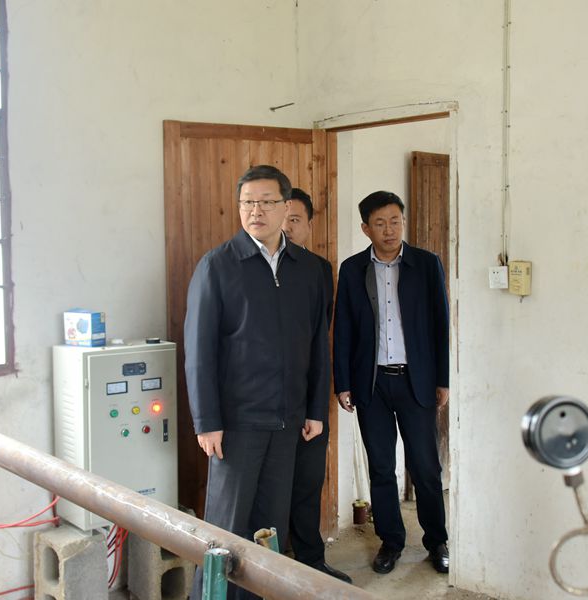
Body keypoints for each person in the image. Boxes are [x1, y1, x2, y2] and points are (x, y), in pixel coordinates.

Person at [184, 165, 330, 599]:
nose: (256, 211)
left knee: (269, 529)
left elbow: (317, 345)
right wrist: (207, 421)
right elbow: (199, 351)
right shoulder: (218, 266)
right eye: (248, 202)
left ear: (286, 207)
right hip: (236, 424)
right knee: (225, 532)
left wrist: (315, 410)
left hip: (287, 422)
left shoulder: (308, 269)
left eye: (267, 202)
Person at [333, 190, 450, 575]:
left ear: (403, 222)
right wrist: (343, 382)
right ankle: (391, 541)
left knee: (426, 467)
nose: (389, 230)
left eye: (395, 221)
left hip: (417, 381)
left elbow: (441, 324)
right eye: (380, 223)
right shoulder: (352, 269)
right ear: (366, 228)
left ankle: (437, 541)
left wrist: (443, 379)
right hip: (372, 385)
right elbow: (343, 329)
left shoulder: (426, 264)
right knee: (381, 468)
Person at [281, 188, 351, 584]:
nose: (287, 227)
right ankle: (272, 567)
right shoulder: (252, 267)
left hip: (308, 394)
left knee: (308, 482)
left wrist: (318, 403)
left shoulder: (321, 269)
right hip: (266, 402)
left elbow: (320, 334)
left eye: (295, 220)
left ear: (309, 225)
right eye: (282, 218)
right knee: (271, 490)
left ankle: (311, 560)